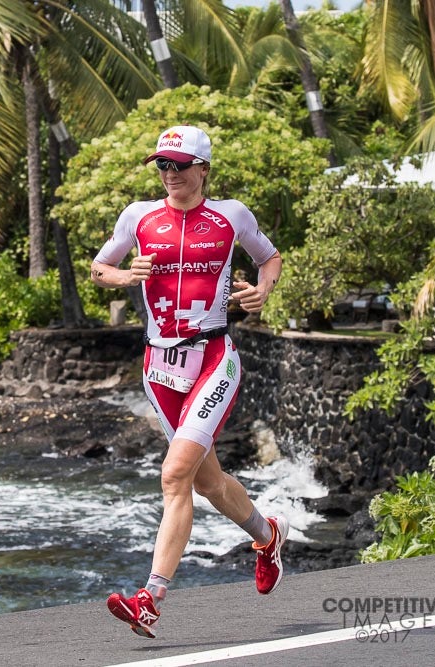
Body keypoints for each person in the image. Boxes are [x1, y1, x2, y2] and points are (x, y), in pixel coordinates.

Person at [90, 125, 287, 639]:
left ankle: (149, 598)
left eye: (180, 165)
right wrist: (123, 277)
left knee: (175, 475)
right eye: (163, 165)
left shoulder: (231, 215)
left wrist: (262, 290)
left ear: (203, 168)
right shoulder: (139, 217)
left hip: (213, 359)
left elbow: (269, 258)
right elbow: (99, 268)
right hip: (159, 369)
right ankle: (268, 538)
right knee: (206, 481)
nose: (171, 174)